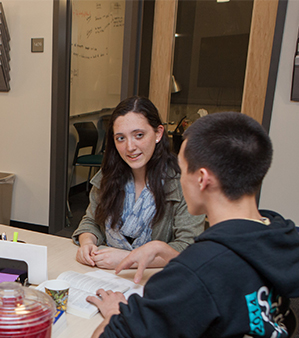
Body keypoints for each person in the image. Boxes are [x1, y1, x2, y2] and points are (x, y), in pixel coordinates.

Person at [46, 112, 299, 338]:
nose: (178, 178)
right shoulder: (276, 237)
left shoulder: (199, 271)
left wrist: (116, 312)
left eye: (183, 169)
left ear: (202, 179)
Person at [72, 96, 205, 271]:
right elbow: (91, 221)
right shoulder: (108, 175)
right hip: (106, 275)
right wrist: (87, 242)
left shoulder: (183, 181)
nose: (130, 147)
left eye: (139, 135)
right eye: (120, 138)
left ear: (158, 133)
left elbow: (189, 247)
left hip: (157, 280)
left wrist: (129, 259)